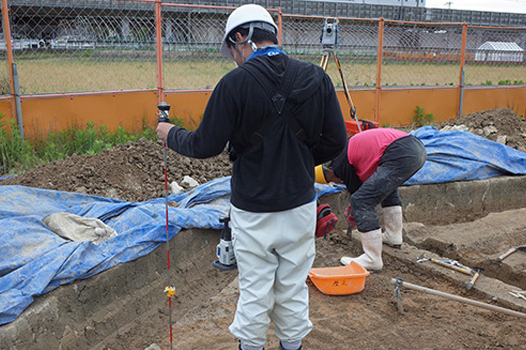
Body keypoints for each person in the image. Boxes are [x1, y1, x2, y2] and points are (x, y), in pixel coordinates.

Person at [156, 4, 347, 349]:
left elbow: (204, 145)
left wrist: (169, 133)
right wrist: (298, 161)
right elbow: (336, 142)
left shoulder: (234, 84)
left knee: (256, 289)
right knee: (291, 286)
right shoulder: (316, 78)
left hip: (252, 210)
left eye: (232, 49)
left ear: (240, 38)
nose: (233, 57)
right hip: (300, 205)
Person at [319, 128, 427, 271]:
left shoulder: (339, 162)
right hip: (414, 148)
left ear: (329, 170)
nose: (336, 181)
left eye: (331, 180)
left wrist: (355, 214)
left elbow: (358, 194)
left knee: (361, 201)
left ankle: (372, 258)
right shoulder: (346, 151)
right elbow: (364, 186)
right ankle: (393, 236)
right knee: (387, 190)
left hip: (400, 151)